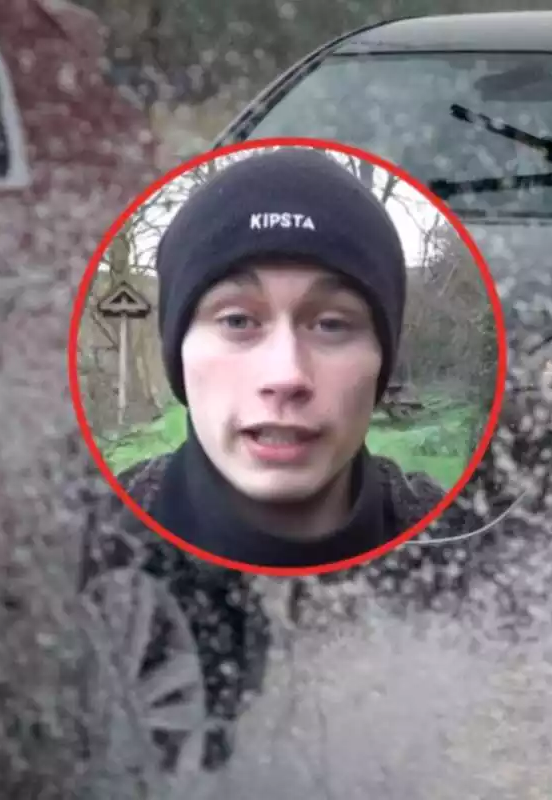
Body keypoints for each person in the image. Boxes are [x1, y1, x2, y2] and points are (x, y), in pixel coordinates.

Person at [76, 147, 503, 776]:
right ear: (177, 353)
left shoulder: (453, 548)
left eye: (332, 325)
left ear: (381, 361)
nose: (286, 376)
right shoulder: (92, 543)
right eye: (238, 320)